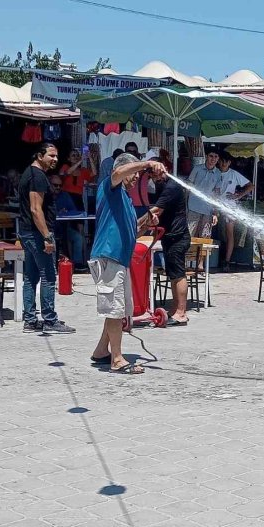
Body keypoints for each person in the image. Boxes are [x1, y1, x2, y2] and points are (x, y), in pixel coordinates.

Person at [88, 153, 165, 374]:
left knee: (118, 309)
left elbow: (134, 230)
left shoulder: (127, 201)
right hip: (108, 255)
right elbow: (117, 173)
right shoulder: (109, 187)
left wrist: (147, 222)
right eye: (134, 173)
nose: (136, 178)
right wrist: (147, 163)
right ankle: (117, 359)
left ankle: (102, 350)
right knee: (115, 310)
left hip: (120, 258)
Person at [18, 143, 75, 333]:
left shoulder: (31, 174)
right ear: (40, 155)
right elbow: (36, 209)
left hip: (29, 232)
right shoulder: (37, 177)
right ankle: (49, 319)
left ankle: (30, 320)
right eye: (51, 156)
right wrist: (47, 237)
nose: (55, 160)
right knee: (48, 276)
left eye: (57, 156)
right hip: (37, 234)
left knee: (31, 276)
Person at [144, 166, 191, 325]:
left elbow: (157, 209)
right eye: (150, 174)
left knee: (178, 274)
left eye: (153, 172)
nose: (152, 176)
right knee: (172, 274)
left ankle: (181, 312)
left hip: (178, 236)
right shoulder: (161, 185)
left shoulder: (172, 186)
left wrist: (136, 223)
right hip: (169, 236)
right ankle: (174, 309)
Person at [218, 151, 253, 271]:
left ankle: (226, 261)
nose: (223, 164)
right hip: (214, 205)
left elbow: (250, 185)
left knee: (229, 234)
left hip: (229, 207)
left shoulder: (233, 174)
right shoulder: (215, 172)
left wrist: (238, 196)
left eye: (226, 161)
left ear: (229, 163)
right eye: (221, 161)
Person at [51, 175, 86, 270]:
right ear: (49, 185)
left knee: (78, 237)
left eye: (60, 185)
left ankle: (77, 264)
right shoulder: (45, 196)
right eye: (55, 185)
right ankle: (52, 266)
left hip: (65, 227)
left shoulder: (65, 195)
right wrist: (57, 212)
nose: (58, 187)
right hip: (49, 228)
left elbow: (74, 211)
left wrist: (66, 212)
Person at [187, 148, 221, 237]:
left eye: (215, 157)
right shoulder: (197, 168)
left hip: (208, 210)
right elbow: (188, 186)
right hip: (193, 207)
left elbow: (216, 193)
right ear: (206, 157)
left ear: (218, 159)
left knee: (205, 237)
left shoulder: (218, 173)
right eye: (211, 156)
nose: (213, 159)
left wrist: (215, 212)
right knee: (190, 235)